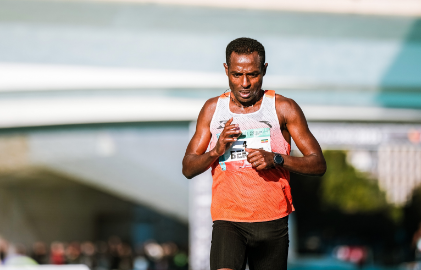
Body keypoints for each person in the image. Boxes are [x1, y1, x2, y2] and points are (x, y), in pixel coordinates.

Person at [182, 37, 326, 270]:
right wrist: (216, 151)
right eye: (237, 75)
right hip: (228, 220)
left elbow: (318, 164)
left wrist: (276, 159)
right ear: (226, 70)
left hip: (272, 221)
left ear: (264, 70)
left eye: (253, 74)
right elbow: (188, 168)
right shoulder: (212, 109)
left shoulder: (283, 108)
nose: (245, 83)